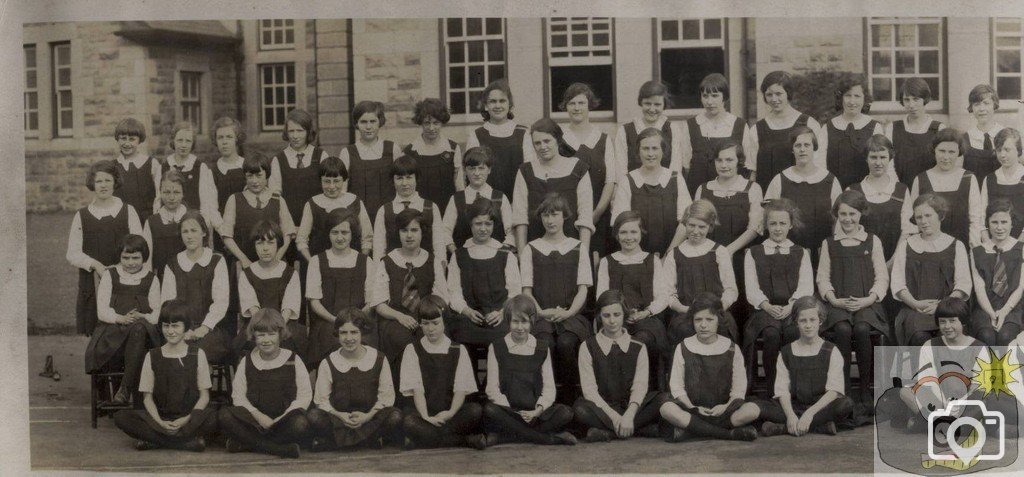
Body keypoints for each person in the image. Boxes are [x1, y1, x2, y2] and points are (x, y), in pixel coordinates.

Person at [112, 299, 218, 452]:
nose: (170, 331)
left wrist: (186, 419)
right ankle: (185, 443)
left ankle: (156, 440)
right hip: (160, 418)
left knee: (215, 418)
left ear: (186, 327)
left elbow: (204, 397)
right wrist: (160, 422)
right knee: (121, 417)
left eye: (176, 326)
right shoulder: (152, 355)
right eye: (166, 326)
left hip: (188, 418)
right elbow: (147, 398)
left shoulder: (197, 354)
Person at [475, 295, 578, 448]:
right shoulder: (497, 346)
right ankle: (548, 439)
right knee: (490, 409)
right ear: (508, 321)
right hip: (508, 411)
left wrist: (537, 410)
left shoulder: (542, 347)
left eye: (524, 321)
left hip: (534, 412)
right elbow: (492, 388)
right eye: (515, 322)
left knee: (566, 413)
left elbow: (549, 387)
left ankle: (504, 438)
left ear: (532, 322)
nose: (520, 327)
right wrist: (512, 412)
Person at [816, 190, 889, 404]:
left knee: (862, 328)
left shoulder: (872, 241)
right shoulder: (829, 243)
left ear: (861, 214)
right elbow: (822, 278)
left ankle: (865, 388)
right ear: (836, 215)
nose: (847, 219)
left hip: (866, 303)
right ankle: (844, 388)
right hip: (838, 303)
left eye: (852, 214)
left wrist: (869, 299)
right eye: (843, 214)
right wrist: (833, 299)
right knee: (842, 329)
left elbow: (882, 277)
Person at [659, 293, 760, 442]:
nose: (703, 325)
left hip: (723, 412)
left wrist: (725, 407)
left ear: (719, 320)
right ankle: (727, 434)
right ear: (692, 321)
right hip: (692, 410)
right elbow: (677, 387)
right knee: (666, 409)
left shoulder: (732, 348)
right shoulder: (684, 346)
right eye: (698, 320)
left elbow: (739, 389)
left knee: (752, 410)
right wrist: (693, 408)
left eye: (709, 319)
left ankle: (693, 431)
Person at [520, 194, 593, 397]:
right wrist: (541, 312)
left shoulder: (578, 248)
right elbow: (526, 291)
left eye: (555, 214)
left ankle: (569, 398)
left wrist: (569, 312)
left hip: (571, 315)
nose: (550, 220)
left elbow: (583, 289)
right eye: (545, 215)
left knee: (566, 343)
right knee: (545, 343)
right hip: (540, 315)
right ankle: (545, 398)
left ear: (565, 217)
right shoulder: (531, 248)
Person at [743, 198, 814, 395]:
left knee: (793, 333)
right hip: (764, 310)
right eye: (773, 223)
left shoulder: (800, 253)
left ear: (790, 224)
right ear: (766, 225)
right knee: (771, 334)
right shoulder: (753, 253)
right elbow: (752, 288)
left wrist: (791, 306)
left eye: (782, 223)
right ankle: (772, 388)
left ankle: (795, 387)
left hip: (793, 309)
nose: (777, 228)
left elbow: (806, 286)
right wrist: (766, 306)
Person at [573, 290, 664, 442]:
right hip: (603, 408)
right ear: (599, 317)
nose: (612, 321)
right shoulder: (588, 346)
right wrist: (616, 418)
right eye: (606, 315)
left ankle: (608, 433)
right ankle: (639, 429)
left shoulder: (638, 346)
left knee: (663, 399)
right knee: (579, 410)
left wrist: (629, 415)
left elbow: (640, 386)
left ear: (624, 315)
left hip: (632, 408)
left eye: (617, 314)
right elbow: (590, 391)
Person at [218, 309, 310, 459]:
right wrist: (259, 417)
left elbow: (304, 396)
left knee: (301, 423)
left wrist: (280, 419)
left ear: (280, 334)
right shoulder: (247, 361)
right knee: (224, 415)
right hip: (255, 422)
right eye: (261, 335)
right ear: (254, 336)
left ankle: (248, 444)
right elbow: (238, 396)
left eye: (271, 334)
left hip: (283, 422)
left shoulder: (293, 359)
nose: (266, 340)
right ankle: (276, 449)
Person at [307, 307, 403, 451]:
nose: (349, 338)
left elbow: (386, 397)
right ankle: (368, 441)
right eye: (343, 333)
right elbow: (321, 400)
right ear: (337, 334)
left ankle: (335, 444)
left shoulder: (379, 358)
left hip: (369, 419)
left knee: (395, 416)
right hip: (340, 421)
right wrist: (340, 416)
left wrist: (367, 416)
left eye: (354, 332)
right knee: (313, 416)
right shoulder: (328, 361)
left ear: (362, 333)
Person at [758, 296, 854, 437]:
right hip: (794, 405)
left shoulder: (831, 350)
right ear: (796, 322)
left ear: (820, 321)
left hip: (820, 407)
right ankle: (819, 426)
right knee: (759, 408)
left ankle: (783, 428)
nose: (808, 325)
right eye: (803, 320)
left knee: (846, 404)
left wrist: (809, 414)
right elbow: (782, 390)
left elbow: (834, 391)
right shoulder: (786, 352)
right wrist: (790, 415)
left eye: (812, 320)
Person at [399, 295, 486, 449]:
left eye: (435, 323)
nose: (430, 328)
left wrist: (450, 413)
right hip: (423, 412)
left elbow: (460, 389)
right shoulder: (412, 349)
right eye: (425, 323)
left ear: (445, 321)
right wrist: (426, 417)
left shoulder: (458, 349)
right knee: (408, 422)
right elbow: (417, 390)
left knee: (475, 411)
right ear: (420, 323)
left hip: (450, 412)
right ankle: (464, 441)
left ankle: (423, 440)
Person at [67, 160, 143, 335]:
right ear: (92, 183)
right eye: (99, 181)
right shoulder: (82, 215)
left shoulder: (128, 211)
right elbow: (72, 253)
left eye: (107, 180)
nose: (103, 185)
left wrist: (120, 267)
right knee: (96, 329)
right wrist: (97, 266)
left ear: (115, 182)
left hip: (125, 275)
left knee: (126, 325)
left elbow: (139, 246)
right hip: (93, 278)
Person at [84, 234, 161, 404]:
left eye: (136, 257)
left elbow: (156, 314)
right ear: (119, 257)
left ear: (144, 258)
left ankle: (125, 389)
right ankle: (128, 393)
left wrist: (143, 316)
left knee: (139, 328)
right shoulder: (110, 275)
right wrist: (121, 318)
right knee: (137, 329)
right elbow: (102, 311)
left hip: (143, 336)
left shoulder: (151, 280)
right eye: (126, 257)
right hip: (113, 333)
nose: (131, 262)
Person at [371, 208, 449, 369]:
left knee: (431, 337)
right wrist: (400, 316)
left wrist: (427, 320)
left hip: (426, 318)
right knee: (400, 339)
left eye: (414, 230)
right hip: (396, 318)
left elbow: (441, 298)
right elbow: (379, 304)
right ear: (398, 233)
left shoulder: (431, 261)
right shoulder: (388, 261)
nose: (409, 235)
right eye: (404, 230)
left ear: (422, 232)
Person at [891, 194, 972, 345]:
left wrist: (941, 306)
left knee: (946, 335)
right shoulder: (907, 245)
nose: (923, 221)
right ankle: (923, 369)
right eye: (919, 217)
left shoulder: (956, 245)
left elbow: (963, 284)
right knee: (919, 336)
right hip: (914, 310)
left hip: (948, 311)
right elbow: (898, 284)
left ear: (940, 216)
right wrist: (915, 304)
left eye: (928, 215)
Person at [899, 297, 988, 431]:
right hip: (938, 400)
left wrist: (960, 402)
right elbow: (927, 380)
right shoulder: (930, 345)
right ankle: (947, 425)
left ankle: (927, 425)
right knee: (905, 392)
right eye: (942, 322)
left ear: (963, 321)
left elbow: (978, 385)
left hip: (966, 400)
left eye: (952, 321)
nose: (947, 326)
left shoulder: (979, 347)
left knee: (986, 400)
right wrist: (943, 403)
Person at [595, 211, 671, 368]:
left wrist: (647, 312)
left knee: (643, 339)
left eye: (633, 232)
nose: (629, 237)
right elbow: (601, 297)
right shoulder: (607, 262)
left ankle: (650, 388)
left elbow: (663, 296)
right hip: (615, 318)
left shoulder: (652, 260)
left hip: (647, 318)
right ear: (616, 234)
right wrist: (621, 314)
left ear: (641, 233)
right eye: (623, 232)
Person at [446, 198, 522, 350]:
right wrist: (467, 311)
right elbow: (453, 292)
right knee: (460, 337)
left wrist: (501, 313)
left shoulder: (505, 254)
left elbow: (515, 293)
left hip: (498, 318)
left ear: (494, 225)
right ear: (470, 224)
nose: (483, 229)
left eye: (488, 224)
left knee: (505, 339)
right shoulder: (459, 255)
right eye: (478, 223)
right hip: (469, 318)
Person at [305, 210, 377, 370]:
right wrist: (336, 321)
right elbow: (315, 303)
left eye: (344, 232)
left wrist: (354, 322)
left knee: (367, 345)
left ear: (352, 234)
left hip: (360, 323)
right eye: (334, 232)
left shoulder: (366, 261)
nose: (339, 237)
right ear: (328, 234)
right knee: (329, 343)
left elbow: (371, 302)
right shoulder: (317, 261)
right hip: (328, 323)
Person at [159, 210, 232, 365]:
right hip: (179, 330)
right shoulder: (172, 264)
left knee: (196, 354)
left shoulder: (216, 260)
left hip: (210, 329)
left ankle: (201, 390)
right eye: (185, 231)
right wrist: (181, 330)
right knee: (173, 353)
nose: (189, 236)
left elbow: (221, 302)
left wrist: (203, 329)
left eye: (194, 230)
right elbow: (168, 303)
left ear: (204, 233)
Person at [764, 125, 842, 265]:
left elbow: (839, 220)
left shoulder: (830, 180)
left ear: (814, 148)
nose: (802, 149)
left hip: (822, 253)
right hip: (788, 254)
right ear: (792, 149)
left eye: (807, 145)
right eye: (797, 145)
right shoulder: (780, 180)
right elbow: (768, 219)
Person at [663, 200, 739, 344]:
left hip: (715, 312)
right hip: (685, 312)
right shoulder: (674, 254)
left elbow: (731, 289)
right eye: (691, 225)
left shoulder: (719, 251)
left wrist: (717, 309)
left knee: (723, 328)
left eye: (701, 227)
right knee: (684, 330)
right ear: (685, 223)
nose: (696, 231)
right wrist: (683, 309)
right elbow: (668, 293)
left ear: (710, 227)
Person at [512, 117, 594, 250]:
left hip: (571, 248)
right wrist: (522, 255)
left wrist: (582, 254)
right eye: (537, 143)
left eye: (547, 141)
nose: (542, 147)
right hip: (536, 248)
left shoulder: (578, 169)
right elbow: (520, 217)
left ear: (558, 140)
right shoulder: (525, 171)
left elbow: (585, 216)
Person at [610, 127, 691, 256]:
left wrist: (669, 254)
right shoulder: (628, 180)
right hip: (636, 255)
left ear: (663, 151)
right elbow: (620, 224)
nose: (650, 154)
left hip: (672, 254)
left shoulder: (675, 179)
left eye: (655, 148)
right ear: (638, 151)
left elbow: (686, 221)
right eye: (645, 148)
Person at [560, 82, 618, 258]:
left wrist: (596, 214)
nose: (576, 108)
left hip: (598, 215)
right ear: (566, 107)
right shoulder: (560, 139)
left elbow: (610, 181)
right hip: (567, 215)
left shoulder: (603, 139)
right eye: (572, 103)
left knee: (596, 261)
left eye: (581, 103)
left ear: (589, 105)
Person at [234, 220, 305, 358]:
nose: (265, 248)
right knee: (245, 346)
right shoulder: (247, 274)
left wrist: (275, 332)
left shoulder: (290, 273)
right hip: (257, 326)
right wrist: (265, 332)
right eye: (260, 243)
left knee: (294, 343)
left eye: (270, 242)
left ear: (278, 244)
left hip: (284, 325)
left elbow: (288, 308)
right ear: (254, 245)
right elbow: (253, 309)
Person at [903, 128, 983, 248]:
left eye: (951, 152)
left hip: (961, 245)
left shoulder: (968, 178)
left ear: (959, 152)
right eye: (942, 151)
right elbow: (913, 218)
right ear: (934, 150)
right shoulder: (921, 179)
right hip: (928, 247)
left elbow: (975, 219)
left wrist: (974, 248)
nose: (946, 157)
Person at [745, 70, 823, 191]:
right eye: (769, 95)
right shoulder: (756, 130)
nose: (774, 99)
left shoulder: (809, 124)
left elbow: (819, 165)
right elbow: (753, 172)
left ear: (788, 93)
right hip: (768, 196)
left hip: (801, 192)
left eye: (779, 93)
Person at [220, 153, 296, 269]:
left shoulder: (278, 200)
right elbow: (227, 236)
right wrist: (244, 260)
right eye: (250, 176)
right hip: (245, 265)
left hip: (274, 265)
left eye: (259, 175)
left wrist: (276, 259)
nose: (254, 181)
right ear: (245, 176)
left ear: (267, 175)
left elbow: (287, 234)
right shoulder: (234, 200)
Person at [680, 73, 750, 195]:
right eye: (705, 96)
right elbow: (686, 165)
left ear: (725, 97)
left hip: (731, 191)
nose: (709, 101)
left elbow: (747, 163)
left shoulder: (739, 125)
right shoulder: (691, 125)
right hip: (698, 188)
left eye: (715, 96)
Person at [465, 79, 535, 197]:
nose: (497, 105)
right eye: (492, 101)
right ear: (486, 106)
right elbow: (472, 174)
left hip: (517, 199)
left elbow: (529, 172)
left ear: (510, 105)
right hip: (486, 203)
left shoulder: (523, 133)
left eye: (502, 101)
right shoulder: (476, 135)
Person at [848, 135, 912, 262]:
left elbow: (907, 231)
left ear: (890, 158)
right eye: (873, 157)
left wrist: (892, 263)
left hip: (894, 262)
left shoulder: (901, 190)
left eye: (883, 157)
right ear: (866, 158)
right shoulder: (853, 191)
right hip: (861, 260)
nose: (878, 163)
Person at [296, 156, 374, 259]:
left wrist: (361, 262)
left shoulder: (355, 201)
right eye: (327, 181)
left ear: (344, 180)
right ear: (320, 180)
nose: (332, 186)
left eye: (336, 181)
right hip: (319, 262)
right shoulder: (312, 203)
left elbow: (367, 237)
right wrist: (312, 264)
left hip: (351, 263)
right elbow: (301, 240)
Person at [970, 199, 1024, 346]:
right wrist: (991, 314)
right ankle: (988, 369)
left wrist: (1004, 311)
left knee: (1006, 336)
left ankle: (1006, 369)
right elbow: (979, 288)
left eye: (1004, 222)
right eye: (994, 222)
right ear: (988, 223)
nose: (999, 227)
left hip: (1012, 308)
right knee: (986, 336)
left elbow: (1020, 287)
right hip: (984, 308)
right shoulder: (977, 251)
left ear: (1012, 223)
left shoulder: (1020, 249)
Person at [372, 155, 446, 259]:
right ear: (392, 181)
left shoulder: (431, 207)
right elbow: (379, 249)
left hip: (426, 269)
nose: (404, 183)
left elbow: (439, 245)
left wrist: (440, 269)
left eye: (409, 177)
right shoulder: (384, 211)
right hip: (394, 270)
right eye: (399, 178)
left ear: (417, 178)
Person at [269, 109, 327, 242]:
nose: (295, 136)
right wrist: (288, 227)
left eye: (300, 131)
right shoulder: (279, 160)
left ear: (308, 132)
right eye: (291, 131)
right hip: (290, 228)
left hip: (317, 226)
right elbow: (275, 198)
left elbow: (328, 191)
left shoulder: (321, 156)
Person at [339, 100, 404, 217]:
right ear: (356, 124)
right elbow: (342, 192)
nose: (368, 127)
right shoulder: (347, 153)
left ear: (380, 122)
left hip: (389, 215)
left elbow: (402, 185)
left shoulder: (393, 149)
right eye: (363, 122)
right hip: (357, 216)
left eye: (373, 121)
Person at [443, 146, 514, 251]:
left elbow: (511, 230)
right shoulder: (456, 199)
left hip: (495, 258)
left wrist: (503, 252)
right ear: (465, 170)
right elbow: (445, 230)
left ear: (489, 170)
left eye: (481, 168)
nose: (476, 173)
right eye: (472, 168)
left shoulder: (500, 198)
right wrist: (456, 253)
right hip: (465, 260)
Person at [820, 75, 883, 189]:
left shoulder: (875, 127)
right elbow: (820, 164)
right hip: (834, 190)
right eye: (848, 96)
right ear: (840, 98)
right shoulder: (828, 128)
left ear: (865, 99)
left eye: (857, 96)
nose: (852, 101)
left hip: (866, 191)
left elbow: (880, 163)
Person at [885, 77, 946, 185]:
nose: (911, 105)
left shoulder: (939, 129)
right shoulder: (893, 128)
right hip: (899, 190)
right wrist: (899, 190)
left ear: (925, 99)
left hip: (929, 191)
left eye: (916, 99)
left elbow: (943, 166)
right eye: (907, 100)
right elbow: (888, 164)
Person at [403, 98, 462, 208]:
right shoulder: (410, 152)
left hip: (448, 210)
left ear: (442, 123)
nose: (431, 128)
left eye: (436, 123)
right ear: (420, 123)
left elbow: (459, 186)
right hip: (419, 211)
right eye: (427, 123)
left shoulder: (453, 149)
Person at [614, 80, 683, 174]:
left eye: (657, 104)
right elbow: (621, 170)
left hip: (665, 186)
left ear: (664, 105)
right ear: (641, 103)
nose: (652, 109)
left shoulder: (673, 129)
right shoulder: (624, 131)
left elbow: (675, 167)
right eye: (647, 103)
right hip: (632, 187)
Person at [159, 121, 217, 225]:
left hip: (192, 225)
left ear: (193, 143)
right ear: (173, 141)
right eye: (180, 140)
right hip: (169, 224)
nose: (183, 145)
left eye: (188, 141)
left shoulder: (200, 168)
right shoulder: (164, 167)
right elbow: (158, 199)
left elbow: (205, 203)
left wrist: (204, 226)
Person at [143, 170, 189, 280]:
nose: (171, 197)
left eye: (176, 192)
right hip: (162, 278)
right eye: (166, 192)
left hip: (189, 277)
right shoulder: (152, 222)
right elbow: (147, 259)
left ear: (183, 193)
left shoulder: (191, 218)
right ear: (160, 192)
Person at [111, 118, 161, 218]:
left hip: (146, 220)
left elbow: (159, 196)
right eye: (123, 138)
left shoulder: (151, 164)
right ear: (117, 139)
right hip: (121, 220)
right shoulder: (112, 167)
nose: (127, 143)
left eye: (132, 139)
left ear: (139, 140)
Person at [979, 128, 1024, 239]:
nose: (1002, 155)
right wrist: (987, 242)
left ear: (1018, 150)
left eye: (1007, 150)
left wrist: (1019, 245)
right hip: (994, 242)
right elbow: (981, 214)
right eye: (999, 150)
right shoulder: (989, 179)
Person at [961, 84, 1006, 180]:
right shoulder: (964, 139)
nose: (982, 109)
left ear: (994, 105)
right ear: (971, 108)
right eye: (977, 104)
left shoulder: (1007, 136)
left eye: (986, 103)